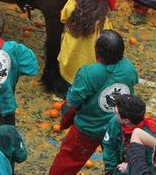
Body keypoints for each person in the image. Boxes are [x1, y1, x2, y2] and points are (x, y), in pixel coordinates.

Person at [48, 30, 138, 175]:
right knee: (118, 164)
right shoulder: (128, 68)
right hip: (118, 126)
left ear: (97, 52)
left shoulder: (88, 73)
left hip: (88, 129)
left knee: (67, 162)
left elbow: (73, 101)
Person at [58, 0, 114, 85]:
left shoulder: (73, 7)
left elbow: (63, 16)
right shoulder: (103, 23)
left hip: (68, 65)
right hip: (87, 73)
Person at [101, 94, 156, 175]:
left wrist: (129, 169)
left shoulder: (152, 140)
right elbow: (109, 147)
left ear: (126, 120)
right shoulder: (115, 122)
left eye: (116, 113)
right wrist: (111, 170)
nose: (114, 115)